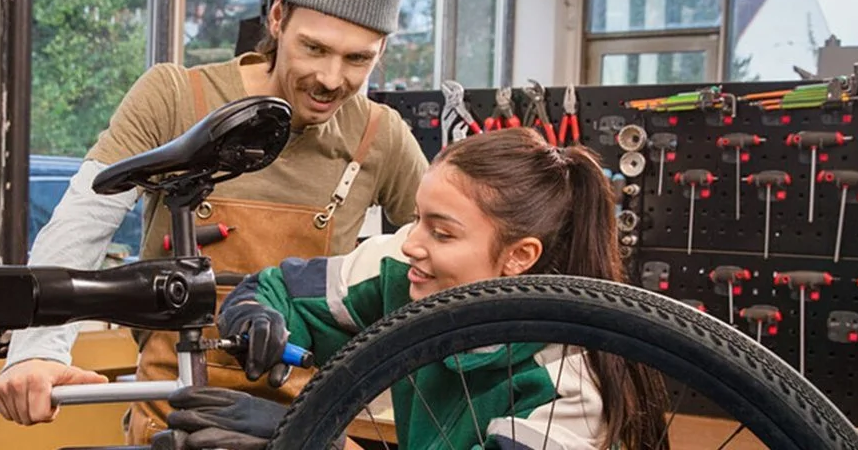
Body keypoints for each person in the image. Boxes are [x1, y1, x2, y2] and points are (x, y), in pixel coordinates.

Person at [0, 0, 430, 444]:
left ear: (382, 50)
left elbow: (445, 254)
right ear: (278, 17)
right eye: (315, 48)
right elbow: (83, 221)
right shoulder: (176, 97)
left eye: (357, 59)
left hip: (300, 426)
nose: (329, 79)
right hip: (173, 418)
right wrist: (38, 351)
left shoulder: (379, 137)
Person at [164, 128, 672, 450]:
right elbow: (276, 289)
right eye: (417, 220)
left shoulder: (568, 384)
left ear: (520, 256)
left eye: (442, 231)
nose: (412, 244)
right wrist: (255, 317)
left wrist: (320, 440)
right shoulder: (406, 269)